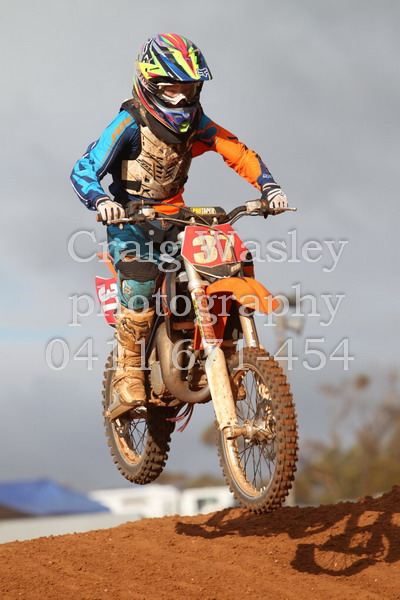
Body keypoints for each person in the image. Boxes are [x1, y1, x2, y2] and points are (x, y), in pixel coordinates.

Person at [71, 33, 288, 416]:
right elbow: (84, 168)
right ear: (150, 85)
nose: (181, 99)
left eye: (188, 89)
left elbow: (236, 150)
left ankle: (228, 355)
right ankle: (128, 373)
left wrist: (268, 186)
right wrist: (102, 201)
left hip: (175, 216)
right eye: (172, 89)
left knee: (231, 261)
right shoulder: (129, 123)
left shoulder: (197, 122)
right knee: (140, 284)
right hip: (131, 220)